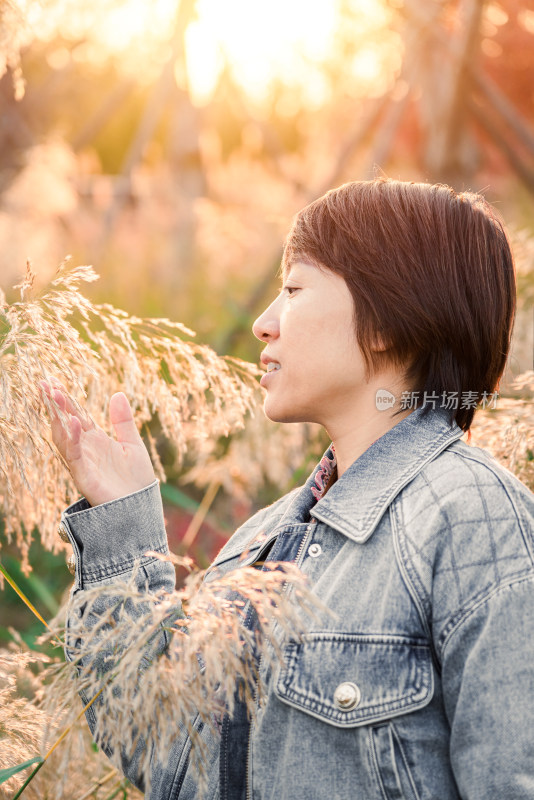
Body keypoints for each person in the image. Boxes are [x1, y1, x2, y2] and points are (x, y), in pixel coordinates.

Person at [42, 179, 534, 800]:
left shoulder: (472, 519)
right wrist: (126, 530)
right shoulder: (261, 542)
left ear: (385, 321)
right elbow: (158, 752)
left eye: (295, 289)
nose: (263, 323)